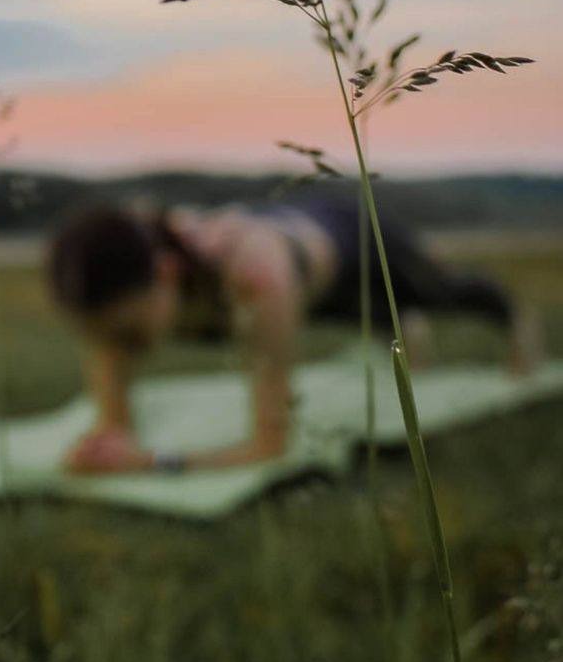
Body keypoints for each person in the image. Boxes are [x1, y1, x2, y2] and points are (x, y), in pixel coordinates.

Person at [46, 193, 541, 474]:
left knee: (438, 291)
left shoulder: (256, 280)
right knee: (362, 318)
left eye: (127, 334)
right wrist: (109, 436)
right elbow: (113, 403)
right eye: (103, 336)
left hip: (356, 240)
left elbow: (270, 443)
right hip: (298, 255)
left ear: (169, 272)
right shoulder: (127, 283)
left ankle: (516, 316)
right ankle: (404, 329)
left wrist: (151, 462)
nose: (116, 348)